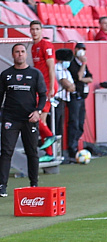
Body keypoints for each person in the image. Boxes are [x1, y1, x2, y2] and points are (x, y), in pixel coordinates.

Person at [0, 43, 47, 197]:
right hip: (10, 119)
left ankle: (34, 183)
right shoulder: (6, 75)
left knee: (32, 151)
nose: (20, 54)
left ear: (26, 54)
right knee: (6, 152)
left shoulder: (35, 74)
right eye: (16, 52)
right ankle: (2, 186)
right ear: (12, 55)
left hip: (29, 119)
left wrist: (38, 111)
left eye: (22, 52)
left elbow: (43, 96)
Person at [29, 20, 57, 159]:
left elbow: (51, 67)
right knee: (41, 120)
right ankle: (49, 153)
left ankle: (50, 136)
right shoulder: (34, 47)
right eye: (32, 29)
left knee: (33, 115)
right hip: (40, 86)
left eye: (37, 29)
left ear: (41, 31)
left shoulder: (46, 45)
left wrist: (51, 87)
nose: (34, 32)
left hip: (46, 87)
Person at [67, 43, 92, 161]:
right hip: (74, 97)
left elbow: (90, 78)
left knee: (81, 123)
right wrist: (83, 65)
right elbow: (79, 76)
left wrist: (83, 78)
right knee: (74, 122)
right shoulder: (72, 63)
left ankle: (76, 145)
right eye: (79, 49)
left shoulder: (82, 64)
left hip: (82, 97)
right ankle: (71, 149)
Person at [53, 48, 75, 162]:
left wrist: (70, 86)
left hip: (62, 101)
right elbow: (66, 84)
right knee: (55, 127)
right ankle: (54, 152)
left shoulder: (66, 70)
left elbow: (72, 87)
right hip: (56, 100)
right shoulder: (57, 68)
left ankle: (59, 153)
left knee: (59, 128)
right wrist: (69, 86)